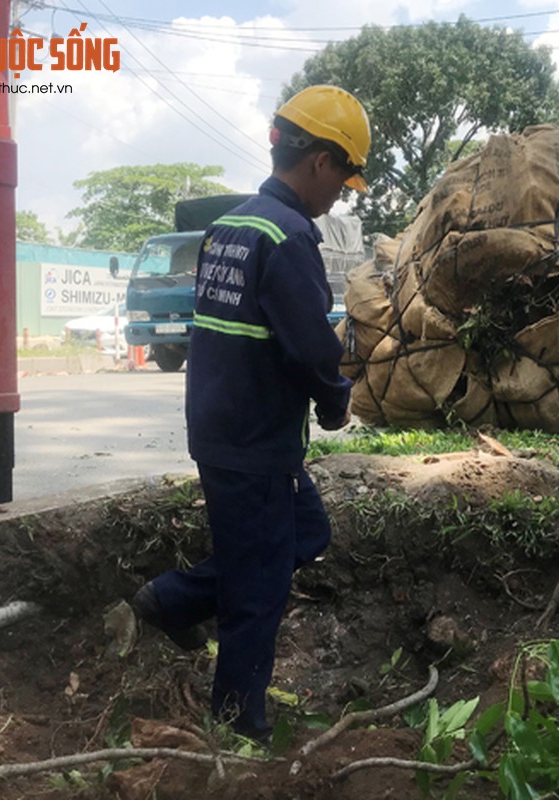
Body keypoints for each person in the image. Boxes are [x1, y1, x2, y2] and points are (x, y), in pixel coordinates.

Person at [130, 85, 369, 743]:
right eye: (342, 179)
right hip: (257, 441)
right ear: (318, 159)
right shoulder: (288, 237)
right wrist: (335, 400)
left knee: (307, 534)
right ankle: (238, 727)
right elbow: (309, 346)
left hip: (220, 429)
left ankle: (170, 600)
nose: (340, 194)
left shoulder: (230, 226)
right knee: (256, 594)